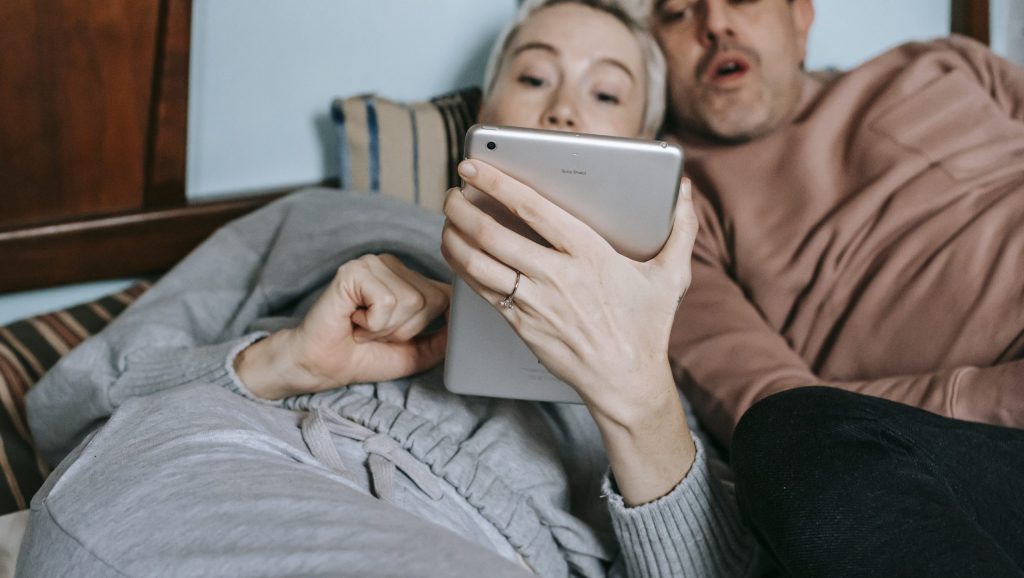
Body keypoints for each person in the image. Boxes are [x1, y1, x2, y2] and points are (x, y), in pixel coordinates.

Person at [17, 1, 760, 576]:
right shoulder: (323, 216)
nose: (562, 108)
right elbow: (63, 402)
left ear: (644, 141)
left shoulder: (651, 332)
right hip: (224, 459)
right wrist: (281, 363)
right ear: (486, 111)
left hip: (488, 546)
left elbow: (706, 566)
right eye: (533, 77)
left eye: (606, 93)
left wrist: (635, 394)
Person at [650, 0, 1024, 575]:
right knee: (788, 440)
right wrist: (995, 396)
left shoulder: (947, 62)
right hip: (981, 452)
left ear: (801, 16)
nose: (716, 23)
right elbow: (777, 404)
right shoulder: (675, 207)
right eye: (678, 12)